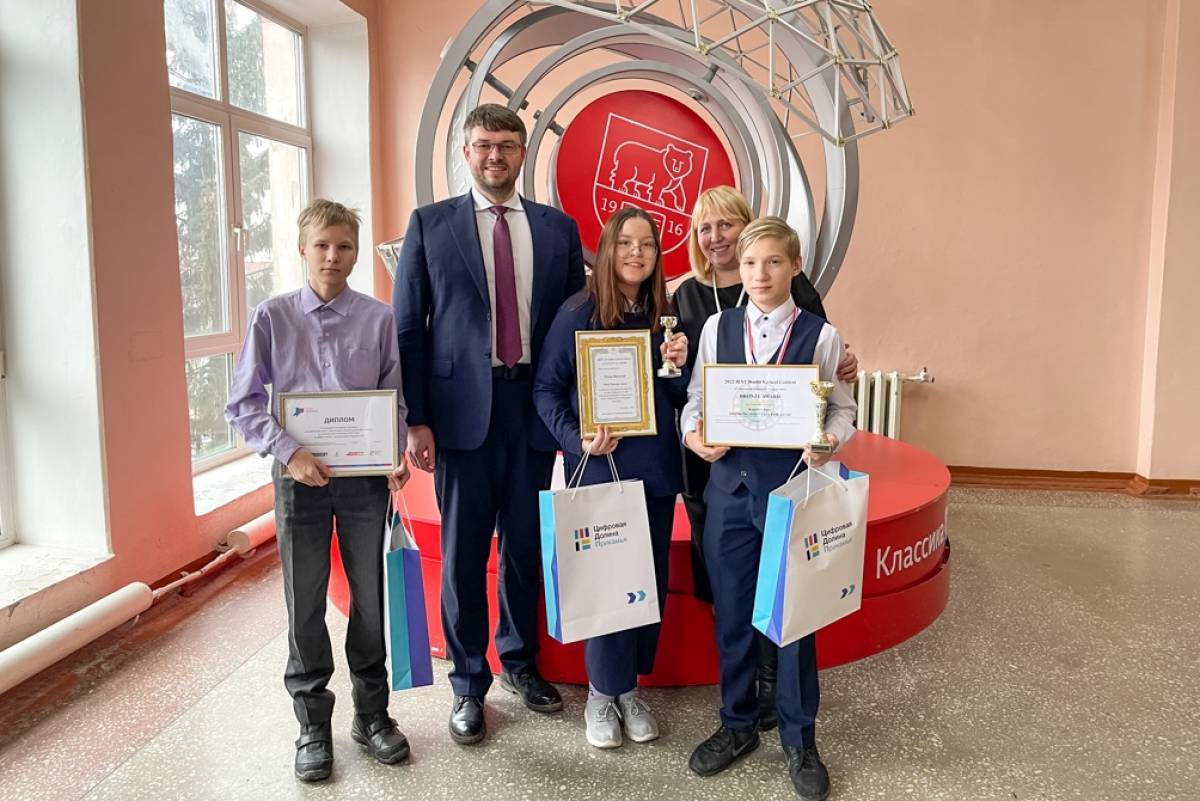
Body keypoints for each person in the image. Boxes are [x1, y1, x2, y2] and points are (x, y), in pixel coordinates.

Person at [393, 104, 586, 745]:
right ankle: (469, 683)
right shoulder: (430, 225)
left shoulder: (558, 230)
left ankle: (520, 663)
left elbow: (577, 329)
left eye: (506, 144)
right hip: (459, 417)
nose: (494, 155)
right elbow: (408, 329)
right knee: (464, 553)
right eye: (483, 145)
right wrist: (417, 419)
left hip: (534, 409)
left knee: (524, 547)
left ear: (522, 152)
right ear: (466, 152)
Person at [225, 199, 412, 782]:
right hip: (297, 481)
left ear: (356, 254)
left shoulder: (378, 319)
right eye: (323, 245)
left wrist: (393, 452)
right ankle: (312, 724)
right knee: (304, 602)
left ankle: (372, 714)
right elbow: (243, 403)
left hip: (364, 484)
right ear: (302, 249)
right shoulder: (272, 317)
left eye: (345, 246)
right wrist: (290, 452)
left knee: (369, 598)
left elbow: (393, 396)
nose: (333, 255)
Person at [680, 217, 856, 800]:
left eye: (774, 262)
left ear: (794, 267)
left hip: (790, 494)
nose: (760, 274)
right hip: (728, 494)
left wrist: (830, 439)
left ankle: (800, 737)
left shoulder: (820, 336)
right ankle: (737, 725)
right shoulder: (717, 328)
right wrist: (694, 436)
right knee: (732, 615)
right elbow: (696, 399)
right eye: (751, 263)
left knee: (794, 619)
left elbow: (842, 409)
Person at [532, 208, 689, 749]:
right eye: (624, 243)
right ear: (605, 251)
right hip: (599, 467)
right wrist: (576, 439)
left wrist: (678, 363)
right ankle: (601, 693)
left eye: (646, 244)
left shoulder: (665, 317)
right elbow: (545, 391)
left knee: (645, 583)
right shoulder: (577, 312)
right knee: (607, 583)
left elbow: (674, 395)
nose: (635, 253)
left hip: (655, 471)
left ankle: (630, 691)